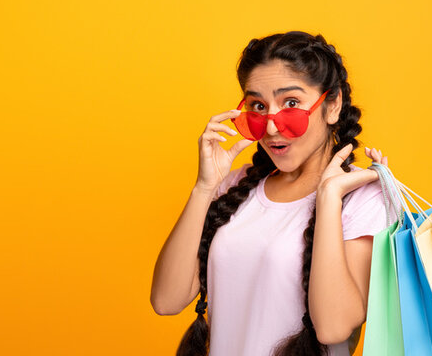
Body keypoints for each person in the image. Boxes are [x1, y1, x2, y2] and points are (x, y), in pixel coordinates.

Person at [150, 31, 396, 356]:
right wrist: (205, 187)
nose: (270, 127)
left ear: (332, 105)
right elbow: (166, 300)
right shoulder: (235, 187)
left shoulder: (363, 199)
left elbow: (334, 327)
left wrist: (327, 197)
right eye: (258, 106)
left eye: (291, 103)